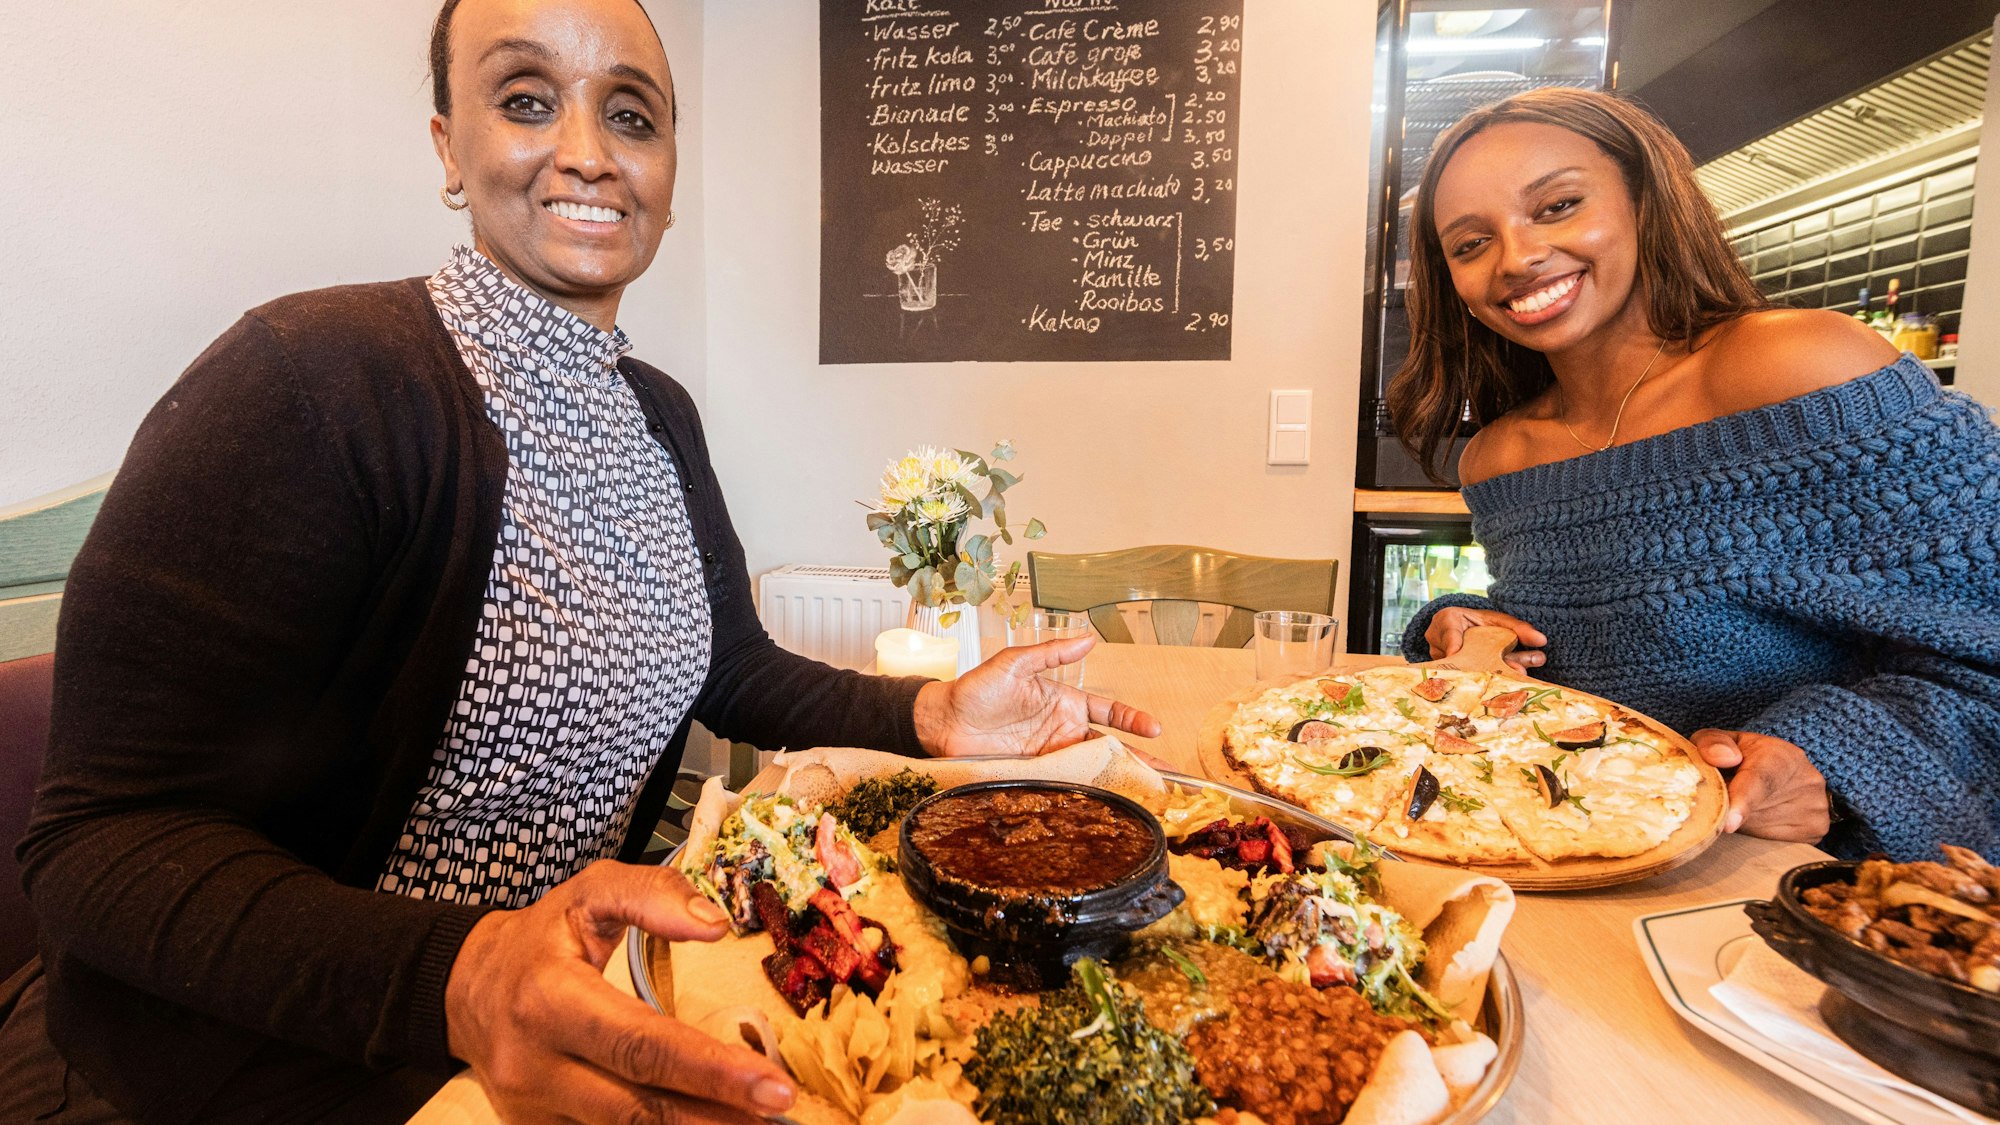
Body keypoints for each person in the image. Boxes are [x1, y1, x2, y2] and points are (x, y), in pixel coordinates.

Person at [0, 1, 1160, 1122]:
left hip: (566, 1013)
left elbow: (730, 668)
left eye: (632, 116)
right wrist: (459, 976)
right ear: (450, 149)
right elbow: (96, 845)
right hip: (262, 1057)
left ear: (669, 175)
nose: (587, 153)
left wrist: (938, 715)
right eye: (525, 98)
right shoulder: (312, 382)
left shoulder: (658, 414)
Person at [1387, 86, 1999, 863]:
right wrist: (1476, 627)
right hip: (1588, 874)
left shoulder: (1803, 369)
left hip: (1795, 896)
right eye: (1470, 244)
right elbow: (1590, 647)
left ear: (1647, 200)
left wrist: (1830, 759)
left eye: (1557, 206)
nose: (1516, 257)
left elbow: (1979, 644)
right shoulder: (1500, 457)